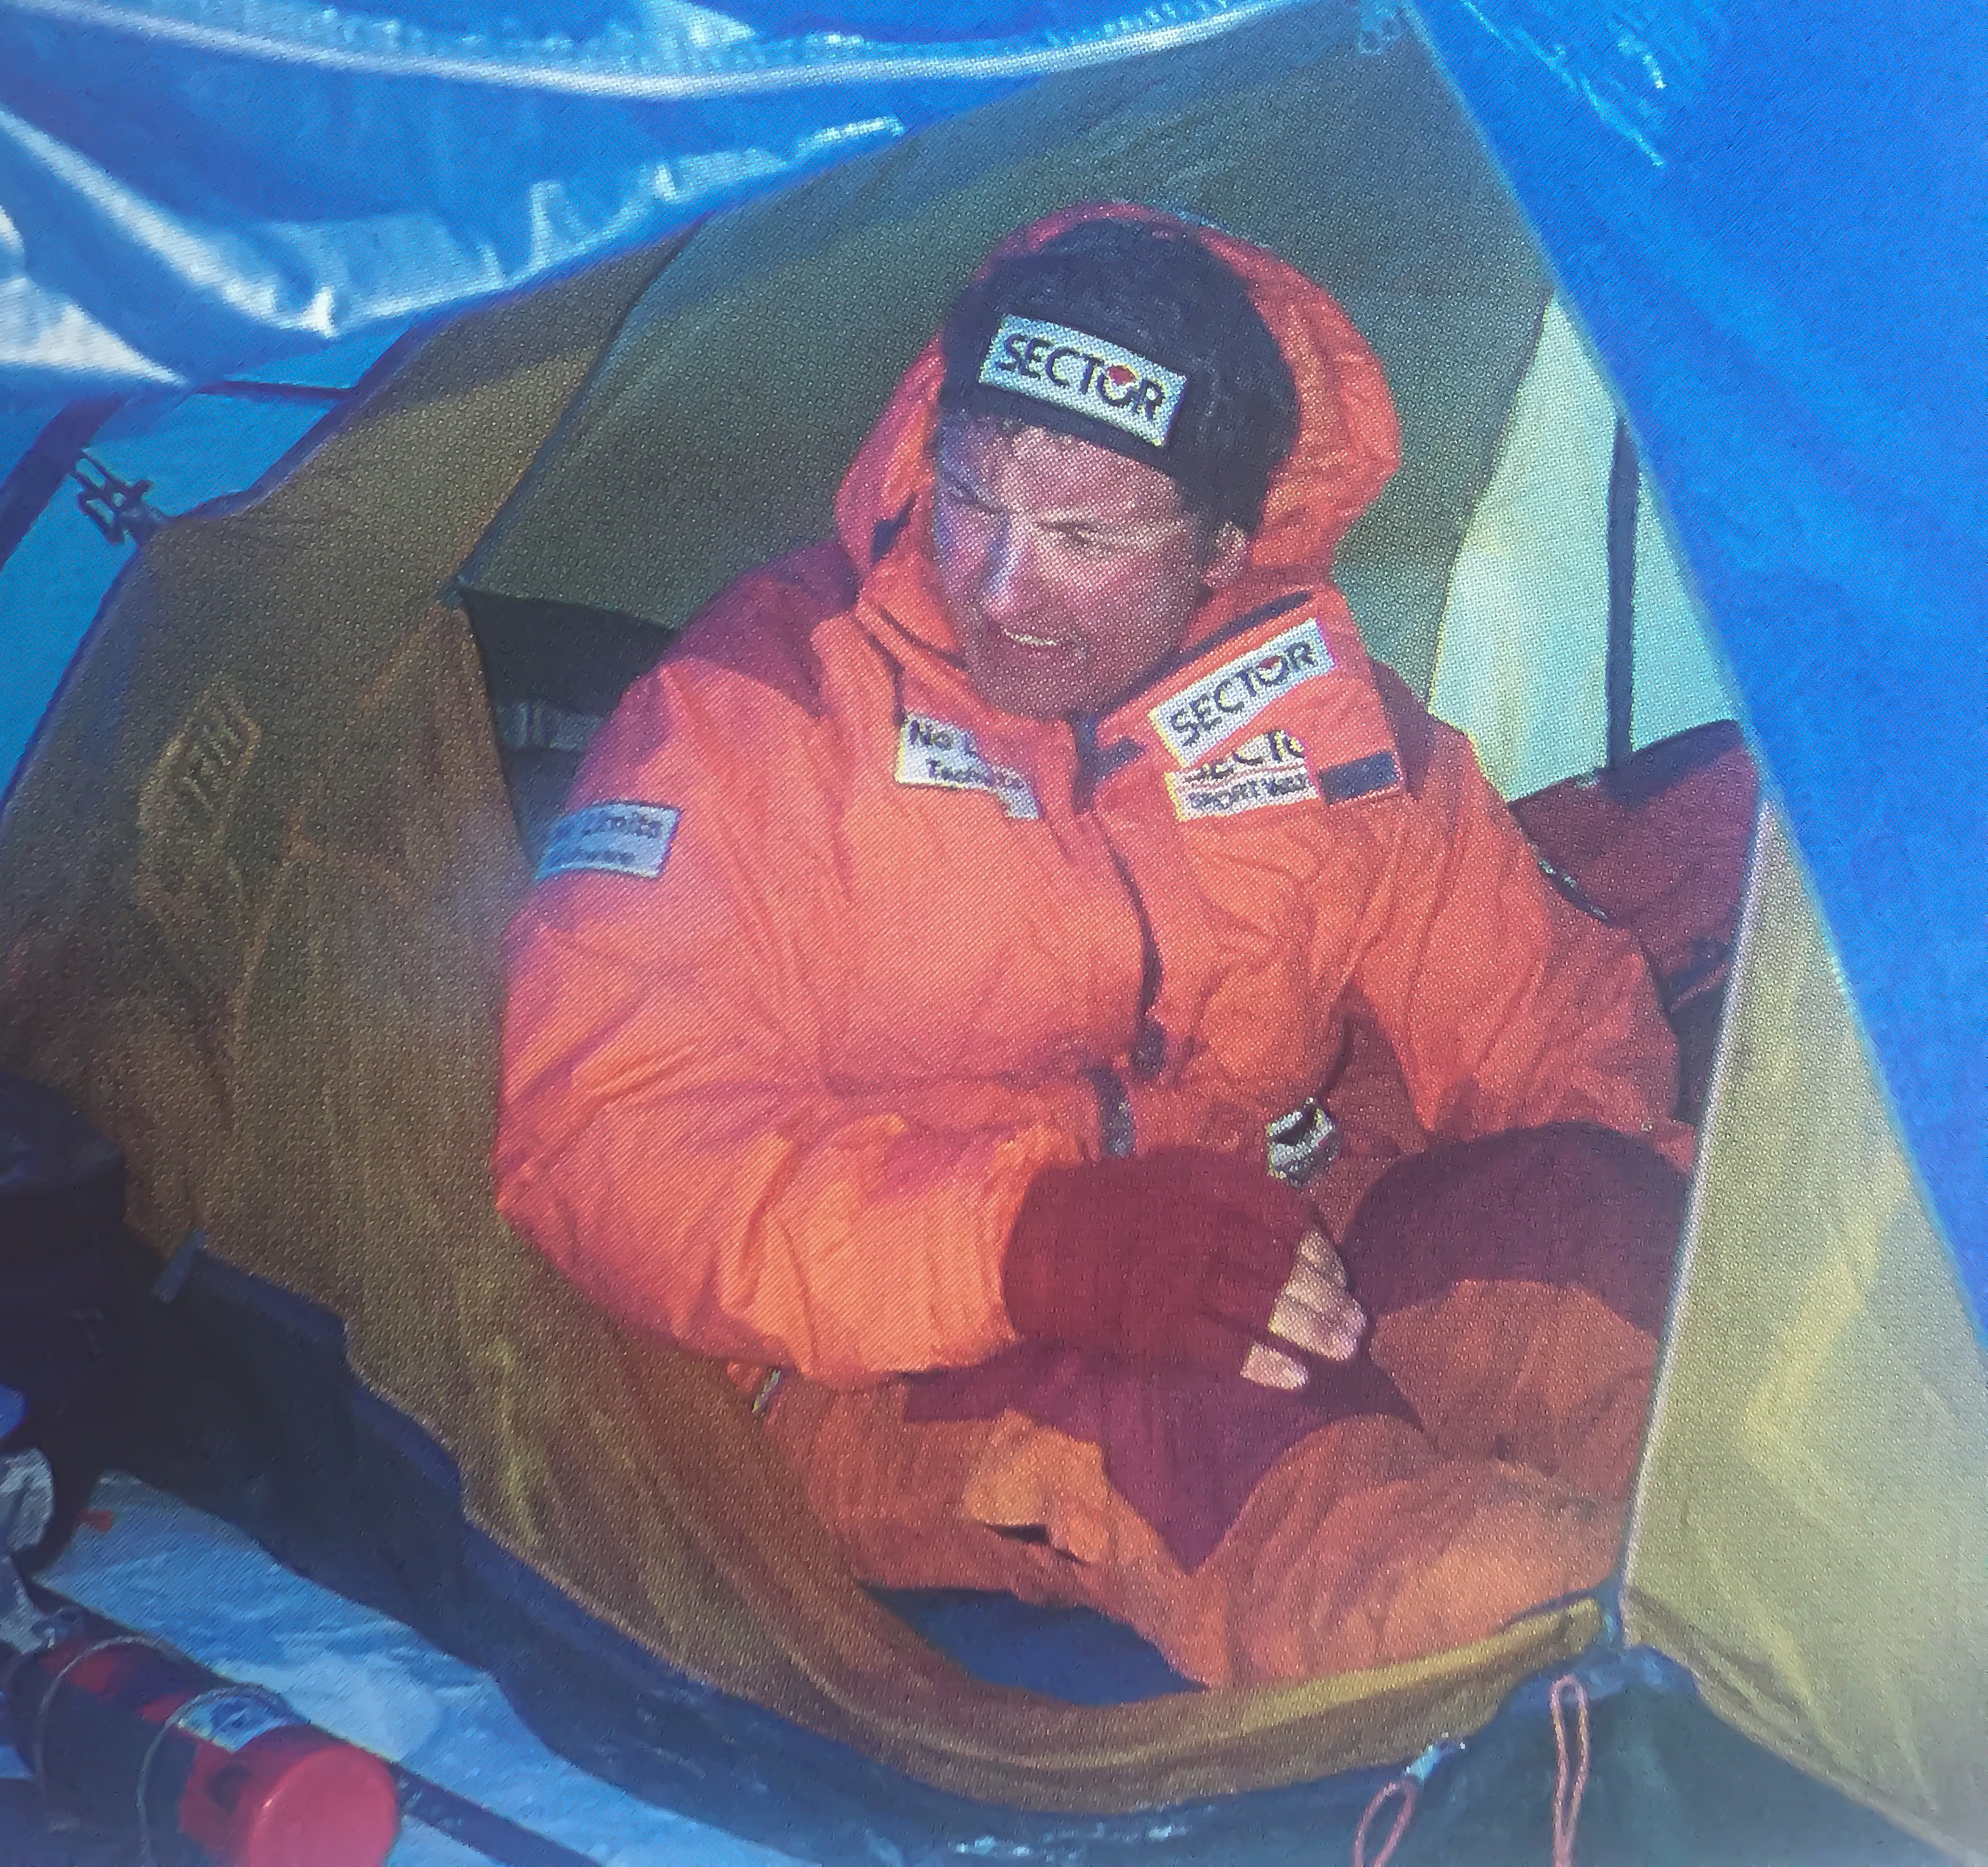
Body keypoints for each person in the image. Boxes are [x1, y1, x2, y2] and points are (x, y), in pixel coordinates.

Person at [491, 205, 1690, 1688]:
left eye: (1085, 539)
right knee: (1297, 1491)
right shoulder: (756, 714)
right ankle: (1659, 1712)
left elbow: (1554, 1029)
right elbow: (603, 1137)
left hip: (1249, 1250)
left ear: (1222, 547)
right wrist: (1033, 1247)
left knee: (1600, 1228)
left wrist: (1600, 1220)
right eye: (973, 501)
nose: (1002, 585)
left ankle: (1832, 1614)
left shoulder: (1316, 720)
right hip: (886, 1351)